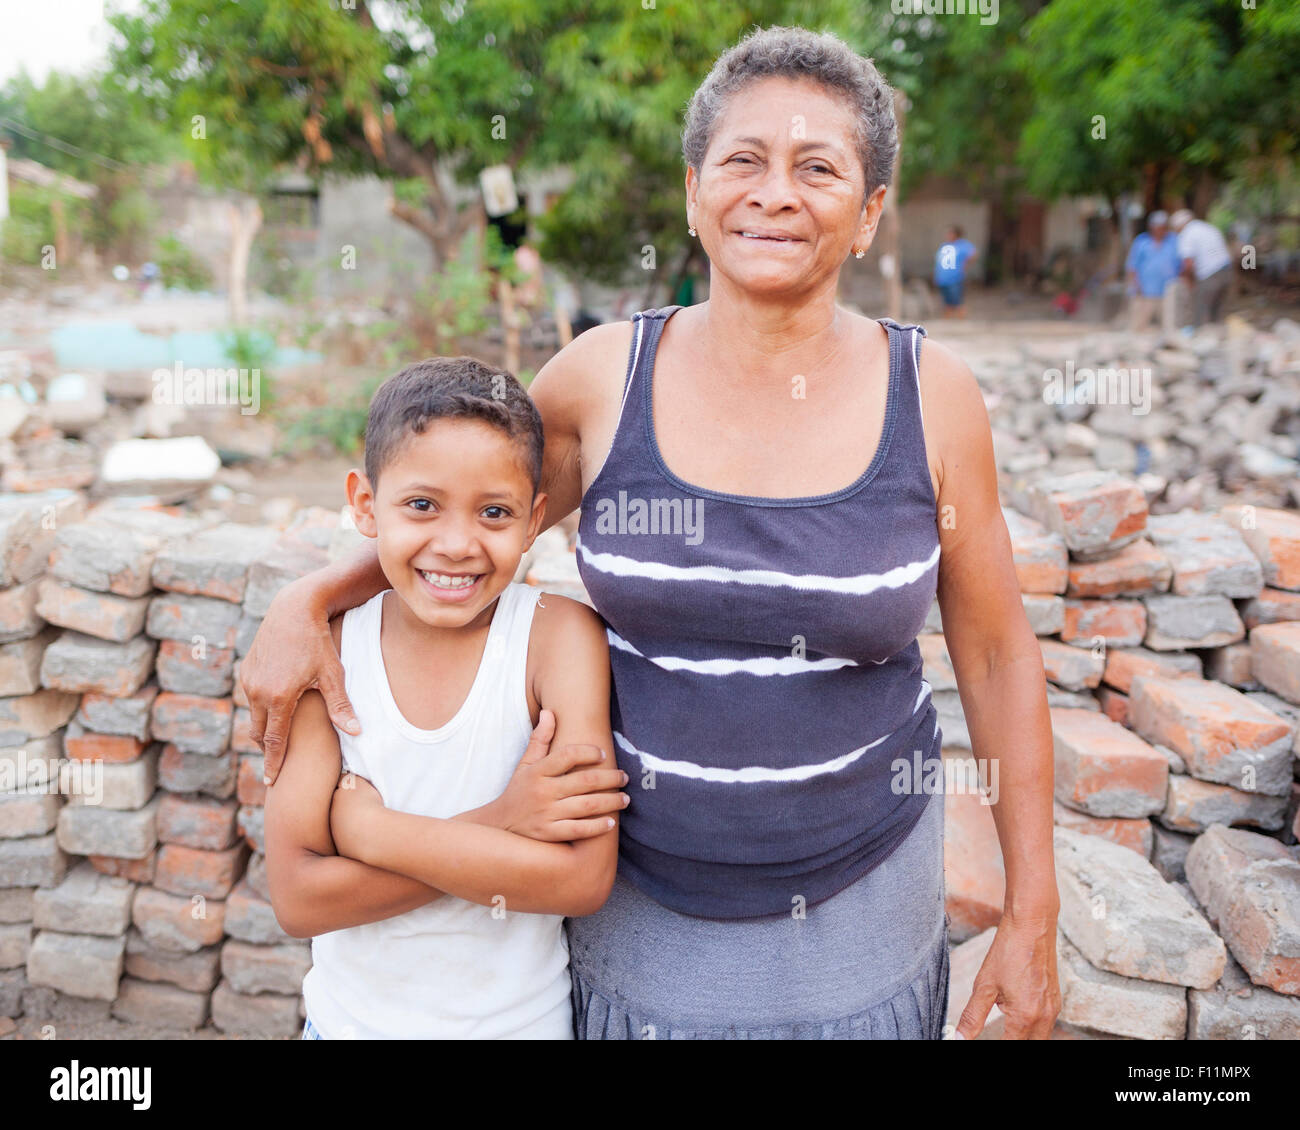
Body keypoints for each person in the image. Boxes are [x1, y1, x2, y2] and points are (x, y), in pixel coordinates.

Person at [244, 25, 1060, 1041]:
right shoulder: (599, 380)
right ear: (692, 191)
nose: (773, 193)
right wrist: (312, 597)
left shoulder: (931, 395)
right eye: (743, 161)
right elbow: (473, 516)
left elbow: (992, 652)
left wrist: (1034, 914)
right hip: (639, 903)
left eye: (817, 167)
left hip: (860, 891)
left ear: (870, 212)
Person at [263, 358, 625, 1039]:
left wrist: (374, 834)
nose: (457, 545)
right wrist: (502, 822)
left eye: (494, 512)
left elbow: (580, 881)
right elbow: (299, 898)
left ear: (533, 520)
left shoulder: (557, 639)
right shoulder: (330, 657)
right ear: (366, 505)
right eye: (422, 505)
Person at [1170, 208, 1232, 327]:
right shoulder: (1208, 228)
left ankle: (1201, 335)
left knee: (1201, 309)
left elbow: (1188, 263)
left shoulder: (1186, 234)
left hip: (1210, 274)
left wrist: (1189, 281)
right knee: (1218, 309)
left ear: (1179, 226)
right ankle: (1216, 334)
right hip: (1227, 271)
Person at [1124, 211, 1181, 333]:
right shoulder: (1141, 242)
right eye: (1158, 227)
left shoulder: (1173, 240)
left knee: (1169, 326)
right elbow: (1132, 266)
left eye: (1163, 227)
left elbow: (1180, 262)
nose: (1160, 230)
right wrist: (1135, 285)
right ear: (1151, 227)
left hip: (1167, 291)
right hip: (1145, 291)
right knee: (1138, 326)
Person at [933, 226, 977, 318]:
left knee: (957, 301)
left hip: (955, 278)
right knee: (946, 302)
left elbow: (973, 254)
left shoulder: (962, 245)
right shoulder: (945, 245)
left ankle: (962, 320)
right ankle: (948, 321)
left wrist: (964, 264)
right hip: (943, 278)